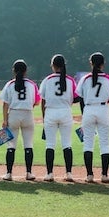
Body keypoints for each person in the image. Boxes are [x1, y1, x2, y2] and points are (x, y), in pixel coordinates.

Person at [75, 52, 109, 183]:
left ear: (90, 63)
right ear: (103, 64)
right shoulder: (108, 79)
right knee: (104, 143)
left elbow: (80, 97)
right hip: (103, 109)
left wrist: (84, 113)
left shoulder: (85, 78)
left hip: (88, 108)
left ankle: (89, 175)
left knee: (88, 143)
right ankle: (104, 175)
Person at [0, 60, 41, 181]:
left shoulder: (10, 84)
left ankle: (8, 173)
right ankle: (29, 173)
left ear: (13, 70)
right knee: (28, 144)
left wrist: (5, 120)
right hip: (28, 114)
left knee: (11, 145)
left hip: (14, 114)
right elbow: (36, 102)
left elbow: (5, 104)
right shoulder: (32, 84)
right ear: (26, 71)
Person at [40, 54, 79, 182]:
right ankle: (68, 173)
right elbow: (74, 98)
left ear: (53, 65)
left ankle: (49, 173)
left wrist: (44, 116)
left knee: (50, 144)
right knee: (66, 143)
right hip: (65, 111)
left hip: (50, 112)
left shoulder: (47, 80)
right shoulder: (70, 80)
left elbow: (43, 101)